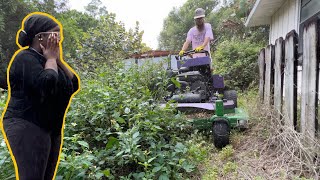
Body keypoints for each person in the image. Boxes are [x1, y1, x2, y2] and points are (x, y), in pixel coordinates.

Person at [1, 12, 79, 180]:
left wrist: (57, 60)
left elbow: (73, 85)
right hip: (26, 124)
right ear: (40, 37)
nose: (59, 38)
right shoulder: (25, 58)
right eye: (55, 33)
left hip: (49, 128)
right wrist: (51, 58)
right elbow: (46, 84)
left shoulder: (49, 61)